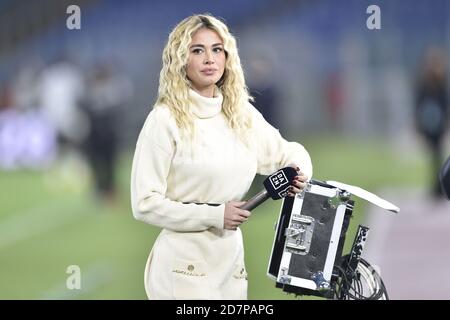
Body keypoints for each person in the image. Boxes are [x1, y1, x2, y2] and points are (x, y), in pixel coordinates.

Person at [130, 14, 313, 300]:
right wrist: (215, 214)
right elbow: (144, 203)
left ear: (228, 57)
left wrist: (298, 172)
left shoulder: (240, 114)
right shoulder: (164, 120)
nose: (209, 59)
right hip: (181, 267)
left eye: (217, 49)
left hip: (231, 265)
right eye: (197, 50)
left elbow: (288, 151)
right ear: (181, 60)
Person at [414, 47, 449, 198]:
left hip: (439, 125)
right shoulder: (424, 82)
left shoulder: (441, 82)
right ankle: (437, 186)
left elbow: (445, 103)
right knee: (434, 157)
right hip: (429, 126)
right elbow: (419, 103)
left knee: (437, 156)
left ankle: (438, 186)